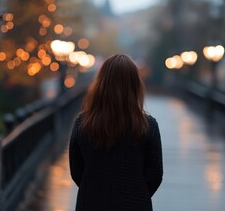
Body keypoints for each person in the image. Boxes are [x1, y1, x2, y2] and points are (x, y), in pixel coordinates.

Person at [69, 54, 163, 211]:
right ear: (135, 86)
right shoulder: (148, 125)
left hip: (90, 203)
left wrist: (96, 191)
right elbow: (155, 175)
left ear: (101, 83)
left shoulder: (82, 123)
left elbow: (77, 171)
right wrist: (136, 192)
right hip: (135, 204)